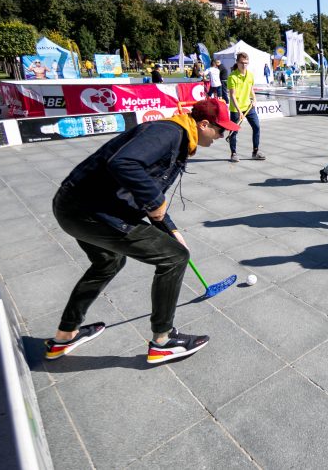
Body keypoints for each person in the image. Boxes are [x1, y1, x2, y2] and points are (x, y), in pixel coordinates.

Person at [45, 99, 240, 364]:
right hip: (89, 211)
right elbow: (124, 163)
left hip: (76, 206)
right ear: (204, 124)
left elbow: (149, 189)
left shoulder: (180, 137)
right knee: (174, 258)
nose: (221, 137)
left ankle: (64, 335)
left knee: (108, 262)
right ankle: (163, 340)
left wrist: (169, 227)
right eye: (221, 131)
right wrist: (155, 202)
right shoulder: (169, 132)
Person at [227, 51, 266, 163]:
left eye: (246, 63)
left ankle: (255, 151)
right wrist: (239, 111)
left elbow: (250, 89)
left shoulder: (250, 75)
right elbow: (232, 96)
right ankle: (233, 153)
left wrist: (254, 99)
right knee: (234, 131)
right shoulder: (232, 77)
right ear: (237, 63)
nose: (244, 65)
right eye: (242, 63)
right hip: (236, 108)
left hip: (248, 107)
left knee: (257, 127)